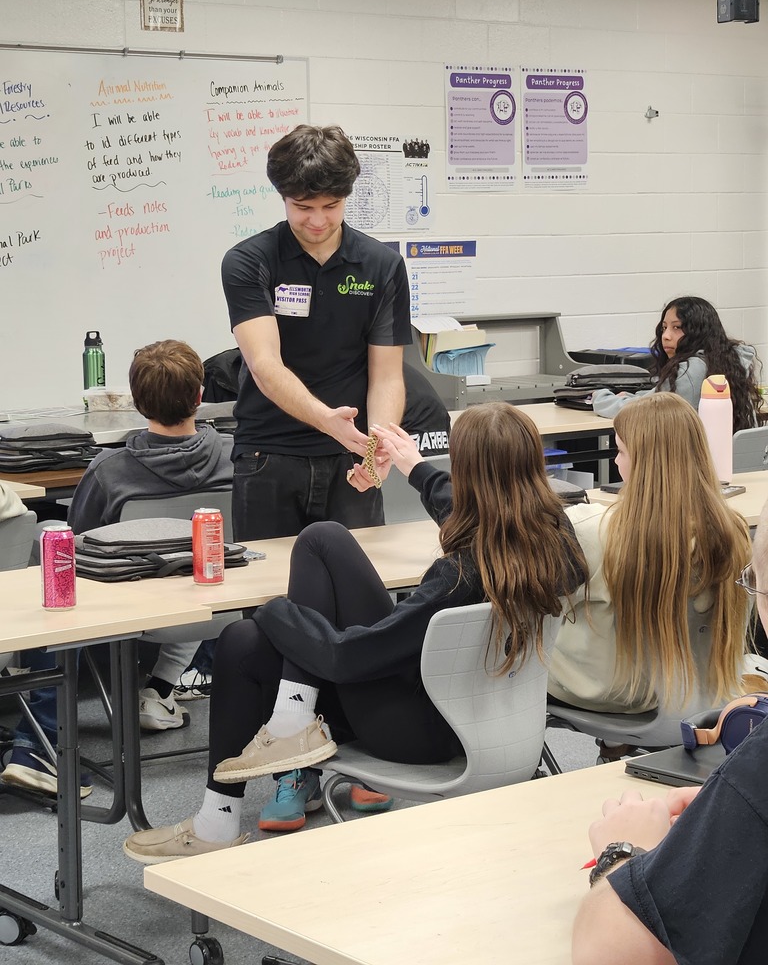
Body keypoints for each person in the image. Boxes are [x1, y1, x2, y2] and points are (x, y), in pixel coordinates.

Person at [122, 402, 588, 860]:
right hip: (489, 718)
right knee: (249, 636)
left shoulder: (457, 576)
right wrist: (416, 468)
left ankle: (232, 801)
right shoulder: (553, 543)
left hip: (416, 733)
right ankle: (267, 751)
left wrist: (273, 610)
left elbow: (348, 659)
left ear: (468, 472)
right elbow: (480, 515)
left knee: (278, 600)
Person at [1, 341, 233, 800]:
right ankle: (162, 689)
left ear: (136, 400)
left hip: (125, 612)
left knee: (54, 558)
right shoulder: (236, 456)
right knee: (182, 563)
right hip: (214, 605)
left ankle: (40, 744)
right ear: (200, 394)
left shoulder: (110, 470)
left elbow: (81, 540)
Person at [571, 494, 768, 965]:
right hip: (702, 693)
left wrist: (619, 853)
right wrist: (729, 814)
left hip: (624, 698)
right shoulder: (729, 526)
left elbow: (610, 955)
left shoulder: (593, 531)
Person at [221, 123, 411, 542]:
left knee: (359, 591)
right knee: (271, 598)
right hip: (268, 456)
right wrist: (327, 421)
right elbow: (265, 365)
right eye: (303, 206)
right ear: (282, 197)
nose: (319, 220)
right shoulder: (249, 262)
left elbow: (387, 375)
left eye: (332, 205)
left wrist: (378, 444)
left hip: (350, 458)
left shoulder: (382, 266)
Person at [549, 392, 754, 721]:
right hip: (703, 692)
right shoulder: (734, 532)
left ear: (645, 462)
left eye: (621, 450)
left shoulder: (592, 530)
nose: (616, 461)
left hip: (613, 695)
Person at [592, 296, 762, 432]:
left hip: (698, 468)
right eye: (664, 328)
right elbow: (658, 398)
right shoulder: (730, 361)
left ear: (698, 332)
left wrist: (600, 397)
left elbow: (637, 412)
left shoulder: (690, 370)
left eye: (676, 327)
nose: (666, 336)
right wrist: (634, 397)